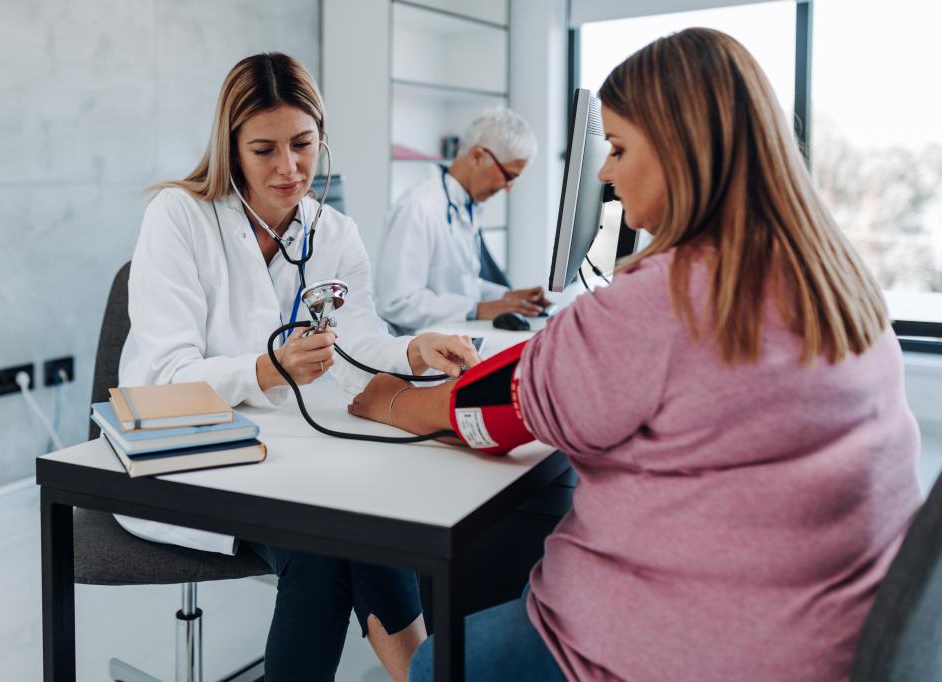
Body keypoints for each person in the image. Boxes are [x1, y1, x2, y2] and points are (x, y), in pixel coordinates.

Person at [348, 28, 923, 682]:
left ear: (680, 151)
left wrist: (390, 399)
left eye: (618, 147)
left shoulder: (664, 301)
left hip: (703, 651)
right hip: (841, 634)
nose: (604, 173)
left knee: (432, 668)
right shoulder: (838, 280)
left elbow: (490, 409)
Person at [117, 53, 482, 682]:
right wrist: (267, 369)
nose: (290, 169)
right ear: (230, 148)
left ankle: (422, 677)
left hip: (286, 460)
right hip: (184, 456)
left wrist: (413, 350)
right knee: (327, 546)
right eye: (264, 150)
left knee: (369, 527)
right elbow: (165, 377)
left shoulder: (333, 231)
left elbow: (359, 339)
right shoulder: (179, 217)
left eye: (303, 144)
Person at [375, 107, 552, 334]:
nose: (508, 188)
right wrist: (477, 309)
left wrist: (505, 297)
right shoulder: (419, 207)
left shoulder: (466, 207)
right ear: (477, 156)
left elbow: (461, 286)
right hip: (418, 354)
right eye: (508, 176)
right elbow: (397, 302)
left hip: (455, 340)